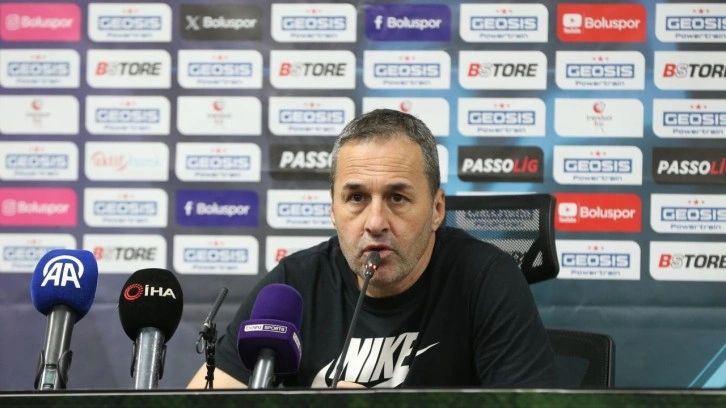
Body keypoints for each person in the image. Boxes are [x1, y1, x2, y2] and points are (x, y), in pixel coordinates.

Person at [187, 109, 556, 389]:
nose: (375, 221)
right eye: (357, 198)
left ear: (437, 209)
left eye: (397, 197)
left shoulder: (486, 279)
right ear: (333, 209)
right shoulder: (292, 286)